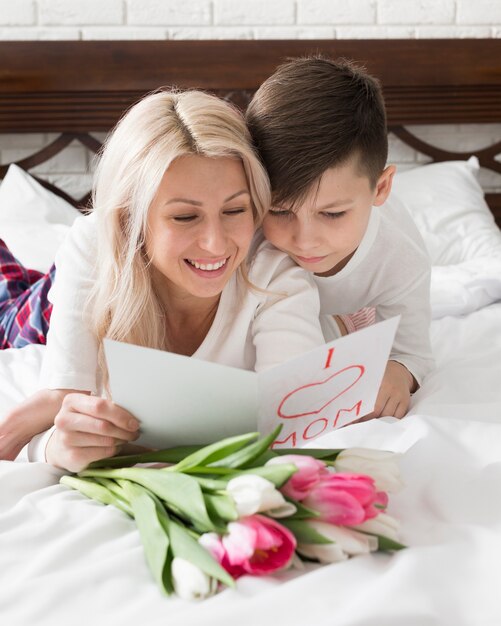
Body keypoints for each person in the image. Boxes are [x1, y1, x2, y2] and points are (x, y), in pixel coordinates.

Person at [0, 89, 325, 469]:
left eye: (234, 209)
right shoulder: (95, 241)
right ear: (131, 220)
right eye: (185, 217)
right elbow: (62, 401)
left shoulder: (274, 269)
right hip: (33, 315)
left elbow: (293, 418)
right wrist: (37, 438)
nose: (215, 243)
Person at [246, 56, 434, 420]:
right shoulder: (244, 226)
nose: (304, 241)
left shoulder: (401, 258)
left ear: (381, 188)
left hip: (352, 303)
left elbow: (415, 353)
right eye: (281, 211)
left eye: (332, 214)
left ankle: (352, 320)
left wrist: (398, 373)